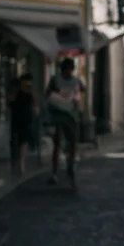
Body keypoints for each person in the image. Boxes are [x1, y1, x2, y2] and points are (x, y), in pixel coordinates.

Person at [45, 56, 83, 186]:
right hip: (59, 116)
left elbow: (79, 96)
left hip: (69, 116)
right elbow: (48, 94)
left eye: (71, 70)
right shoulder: (57, 80)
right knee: (58, 144)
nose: (70, 72)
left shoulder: (74, 81)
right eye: (69, 69)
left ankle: (69, 167)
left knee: (71, 143)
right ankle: (55, 172)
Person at [8, 73, 37, 174]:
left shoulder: (29, 92)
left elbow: (34, 103)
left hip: (25, 119)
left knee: (23, 141)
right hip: (17, 119)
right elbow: (11, 101)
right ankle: (16, 162)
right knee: (16, 141)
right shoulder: (17, 90)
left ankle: (21, 163)